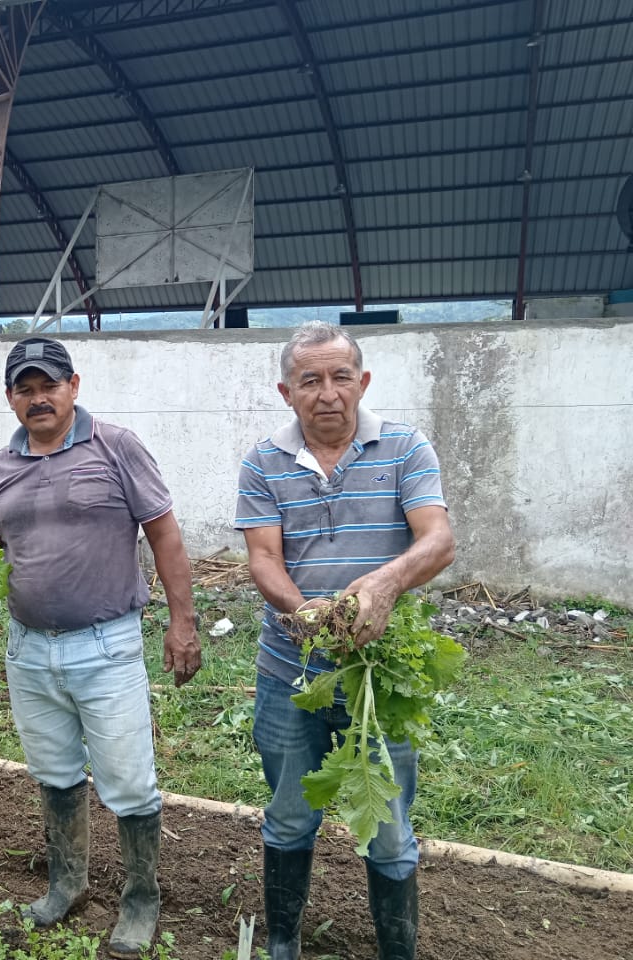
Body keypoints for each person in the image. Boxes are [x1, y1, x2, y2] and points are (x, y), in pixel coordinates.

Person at [0, 337, 201, 960]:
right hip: (28, 648)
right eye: (25, 389)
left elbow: (164, 535)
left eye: (49, 385)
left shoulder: (116, 446)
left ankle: (141, 897)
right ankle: (67, 883)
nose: (38, 398)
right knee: (53, 771)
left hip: (107, 646)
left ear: (74, 386)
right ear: (11, 398)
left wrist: (182, 622)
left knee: (128, 781)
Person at [234, 321, 455, 960]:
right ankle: (283, 942)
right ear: (287, 392)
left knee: (387, 827)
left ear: (363, 382)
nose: (327, 393)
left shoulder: (405, 448)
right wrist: (303, 611)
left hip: (377, 681)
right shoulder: (263, 462)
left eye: (340, 377)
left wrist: (385, 583)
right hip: (290, 673)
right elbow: (263, 559)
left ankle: (396, 950)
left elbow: (438, 539)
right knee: (289, 814)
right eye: (310, 380)